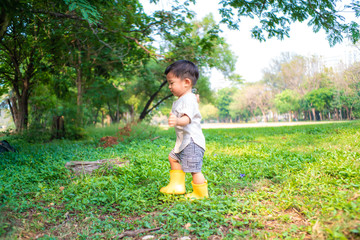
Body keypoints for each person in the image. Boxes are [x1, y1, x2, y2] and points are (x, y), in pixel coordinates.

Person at [160, 60, 208, 200]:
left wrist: (177, 121)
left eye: (172, 82)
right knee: (173, 158)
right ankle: (177, 186)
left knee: (194, 170)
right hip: (184, 142)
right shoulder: (186, 97)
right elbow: (193, 100)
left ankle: (201, 194)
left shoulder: (188, 99)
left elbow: (187, 119)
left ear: (186, 82)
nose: (169, 86)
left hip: (192, 142)